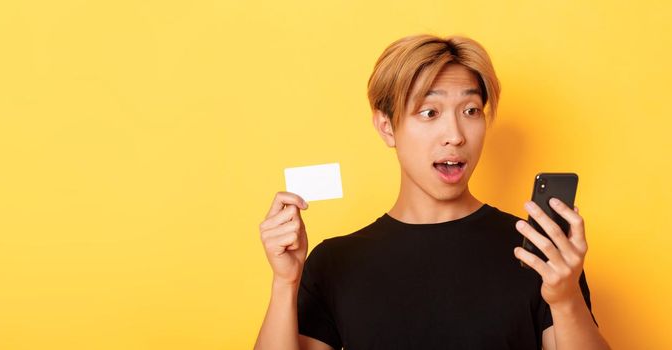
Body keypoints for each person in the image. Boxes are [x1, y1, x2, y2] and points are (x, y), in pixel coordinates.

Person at [253, 34, 610, 350]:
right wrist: (285, 282)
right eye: (429, 112)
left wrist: (565, 299)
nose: (455, 134)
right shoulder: (334, 263)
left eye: (471, 110)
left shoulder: (539, 253)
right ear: (386, 127)